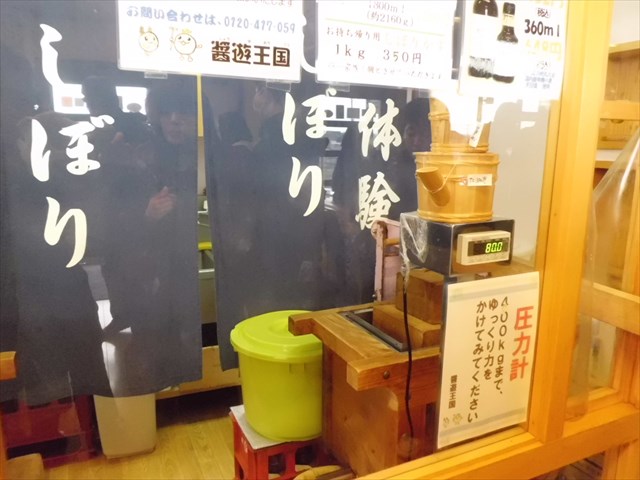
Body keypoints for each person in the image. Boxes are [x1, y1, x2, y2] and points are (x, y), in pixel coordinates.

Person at [99, 79, 202, 395]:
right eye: (167, 112)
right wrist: (146, 214)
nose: (175, 120)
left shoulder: (205, 155)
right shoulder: (138, 157)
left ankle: (191, 392)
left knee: (192, 331)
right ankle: (158, 395)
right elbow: (110, 219)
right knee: (154, 336)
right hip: (150, 267)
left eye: (183, 112)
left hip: (190, 260)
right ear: (156, 115)